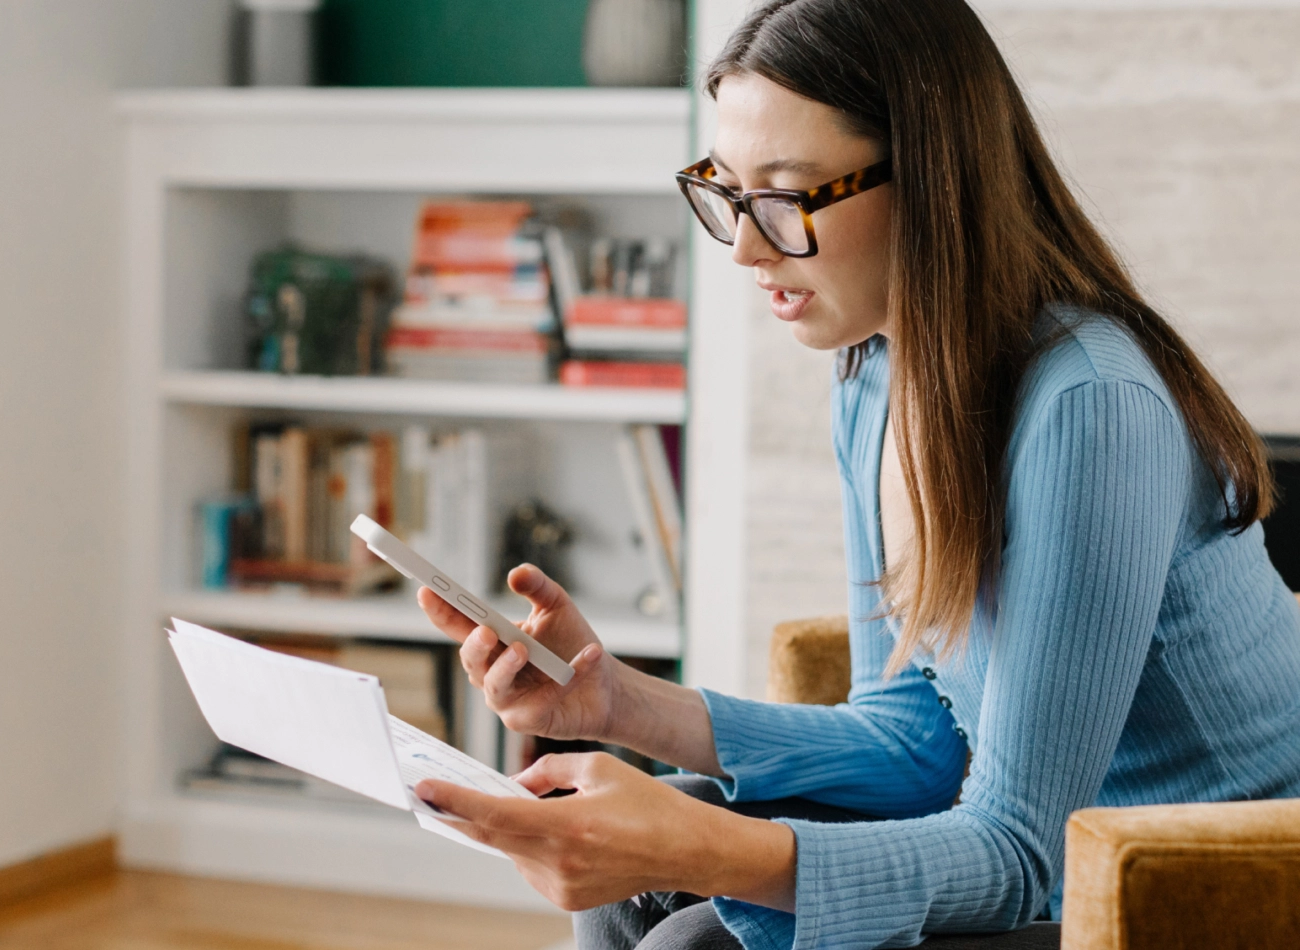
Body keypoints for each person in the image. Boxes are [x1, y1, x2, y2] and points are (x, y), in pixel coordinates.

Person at [410, 0, 1300, 947]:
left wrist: (704, 848)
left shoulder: (1091, 405)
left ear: (934, 181)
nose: (747, 248)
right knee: (637, 892)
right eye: (727, 192)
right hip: (1048, 859)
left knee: (690, 928)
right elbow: (914, 743)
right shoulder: (874, 373)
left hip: (1200, 884)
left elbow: (1020, 850)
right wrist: (614, 702)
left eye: (786, 199)